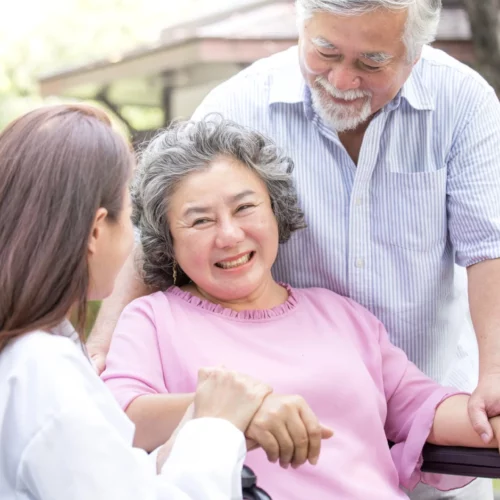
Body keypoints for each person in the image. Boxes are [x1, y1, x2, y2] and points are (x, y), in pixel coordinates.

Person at [89, 1, 500, 498]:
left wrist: (491, 391)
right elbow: (113, 418)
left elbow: (487, 251)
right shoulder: (155, 321)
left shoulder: (344, 318)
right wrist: (224, 408)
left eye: (245, 209)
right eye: (325, 51)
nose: (229, 235)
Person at [0, 104, 275, 500]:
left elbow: (107, 479)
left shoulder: (33, 356)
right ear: (97, 231)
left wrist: (191, 429)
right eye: (130, 217)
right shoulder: (43, 371)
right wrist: (215, 426)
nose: (134, 241)